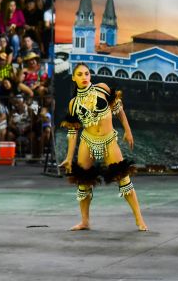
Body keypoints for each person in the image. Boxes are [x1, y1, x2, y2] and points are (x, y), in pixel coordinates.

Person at [59, 64, 148, 231]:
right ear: (74, 78)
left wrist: (128, 131)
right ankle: (85, 221)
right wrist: (69, 157)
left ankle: (139, 218)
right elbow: (72, 132)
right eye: (80, 74)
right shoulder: (74, 103)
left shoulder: (102, 89)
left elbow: (119, 110)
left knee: (124, 179)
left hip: (108, 140)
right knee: (83, 182)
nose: (84, 77)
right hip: (87, 141)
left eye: (86, 73)